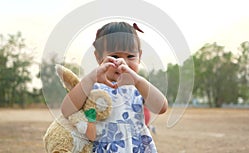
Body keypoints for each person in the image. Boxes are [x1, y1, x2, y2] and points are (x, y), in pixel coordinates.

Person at [61, 21, 168, 152]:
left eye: (130, 56)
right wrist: (90, 78)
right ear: (99, 57)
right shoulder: (92, 87)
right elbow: (66, 110)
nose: (123, 63)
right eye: (114, 57)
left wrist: (138, 81)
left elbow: (161, 107)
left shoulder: (138, 87)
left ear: (139, 57)